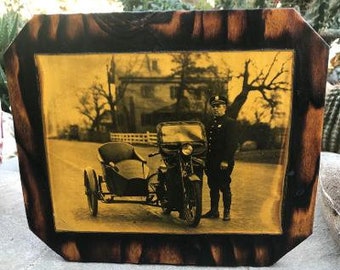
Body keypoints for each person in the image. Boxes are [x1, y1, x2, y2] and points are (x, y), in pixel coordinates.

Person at [202, 95, 238, 221]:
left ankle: (226, 212)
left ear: (224, 108)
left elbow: (232, 144)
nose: (215, 109)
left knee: (224, 185)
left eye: (218, 106)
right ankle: (214, 211)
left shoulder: (230, 123)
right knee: (213, 186)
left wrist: (225, 160)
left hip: (223, 161)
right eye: (213, 106)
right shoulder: (210, 124)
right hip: (211, 161)